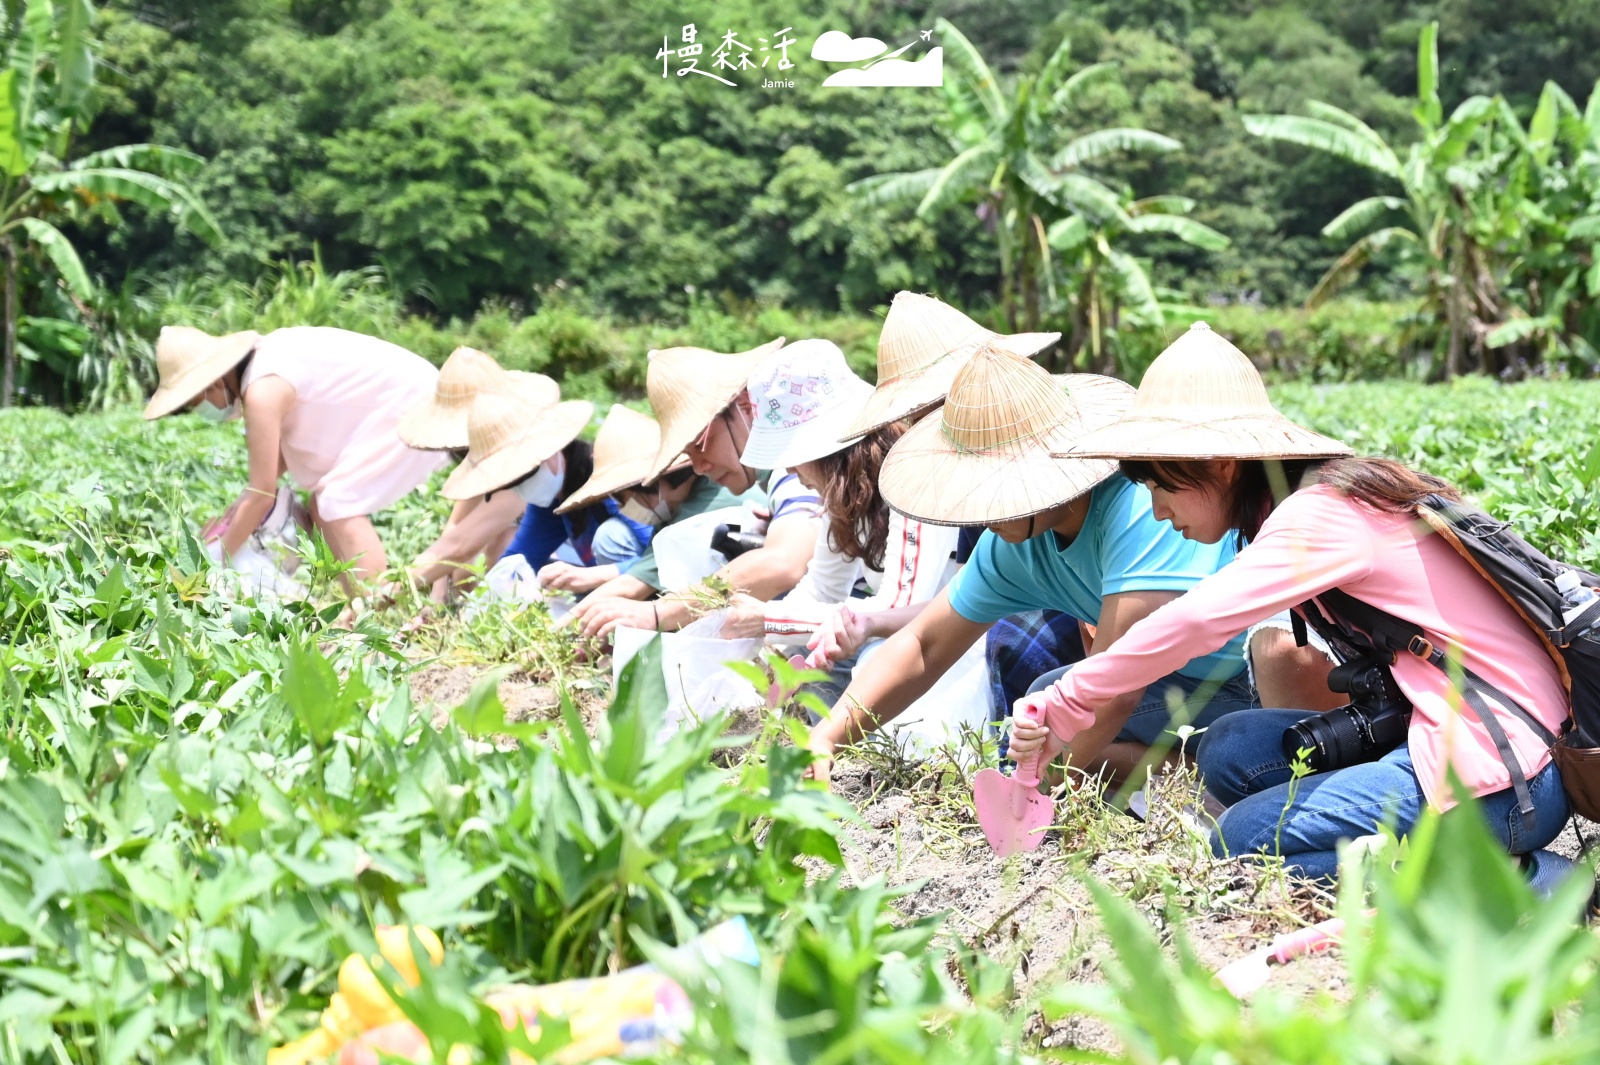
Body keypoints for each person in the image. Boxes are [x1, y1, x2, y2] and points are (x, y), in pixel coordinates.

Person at [1009, 321, 1573, 882]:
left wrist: (1067, 699)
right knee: (1231, 746)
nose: (1157, 510)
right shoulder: (1314, 501)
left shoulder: (1319, 516)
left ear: (1219, 465)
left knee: (1244, 841)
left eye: (1160, 486)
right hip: (1452, 733)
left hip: (1505, 775)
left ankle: (1541, 884)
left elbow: (1197, 620)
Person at [805, 342, 1260, 786]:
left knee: (1053, 710)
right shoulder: (1011, 541)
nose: (978, 511)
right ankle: (1186, 771)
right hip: (1166, 686)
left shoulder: (1141, 505)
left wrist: (1028, 790)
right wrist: (827, 736)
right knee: (1046, 706)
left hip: (1241, 684)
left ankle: (1216, 768)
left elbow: (1116, 687)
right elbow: (924, 646)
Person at [712, 341, 962, 698]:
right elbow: (823, 589)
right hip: (911, 635)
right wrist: (769, 657)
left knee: (874, 660)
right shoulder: (848, 495)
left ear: (826, 448)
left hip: (960, 642)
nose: (787, 467)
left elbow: (899, 608)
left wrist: (770, 619)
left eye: (792, 452)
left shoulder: (913, 480)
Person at [142, 324, 444, 584]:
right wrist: (227, 522)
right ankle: (357, 608)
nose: (199, 412)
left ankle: (377, 609)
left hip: (415, 404)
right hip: (406, 396)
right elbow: (267, 477)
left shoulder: (262, 390)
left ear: (216, 382)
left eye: (196, 402)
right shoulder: (263, 368)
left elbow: (262, 493)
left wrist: (212, 564)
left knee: (338, 502)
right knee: (322, 504)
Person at [571, 338, 828, 640]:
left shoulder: (794, 469)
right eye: (687, 455)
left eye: (700, 444)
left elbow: (781, 564)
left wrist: (657, 613)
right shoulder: (776, 480)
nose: (699, 467)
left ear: (746, 407)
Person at [397, 346, 559, 600]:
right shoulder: (487, 458)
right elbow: (455, 530)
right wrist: (438, 598)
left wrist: (387, 594)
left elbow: (462, 544)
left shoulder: (528, 460)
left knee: (501, 546)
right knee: (466, 570)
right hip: (533, 549)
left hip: (567, 560)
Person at [439, 390, 621, 578]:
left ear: (553, 451)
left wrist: (593, 577)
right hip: (608, 590)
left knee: (611, 536)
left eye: (526, 475)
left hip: (643, 590)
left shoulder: (610, 483)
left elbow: (651, 557)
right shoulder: (555, 502)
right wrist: (485, 600)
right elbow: (519, 559)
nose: (521, 487)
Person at [536, 404, 700, 596]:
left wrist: (593, 579)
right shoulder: (667, 511)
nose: (621, 508)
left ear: (649, 486)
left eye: (621, 500)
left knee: (611, 536)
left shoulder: (703, 506)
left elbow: (663, 562)